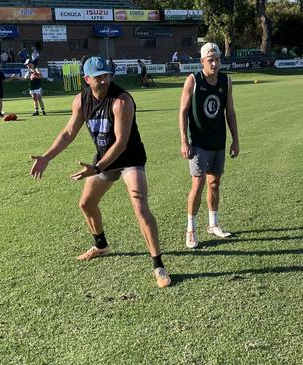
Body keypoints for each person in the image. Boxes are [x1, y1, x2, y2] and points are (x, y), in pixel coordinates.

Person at [29, 56, 171, 288]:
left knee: (140, 206)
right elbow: (68, 133)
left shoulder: (121, 101)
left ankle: (158, 266)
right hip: (104, 161)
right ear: (87, 79)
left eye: (106, 76)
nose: (104, 81)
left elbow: (121, 144)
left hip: (129, 159)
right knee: (86, 204)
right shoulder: (81, 100)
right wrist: (46, 157)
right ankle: (101, 245)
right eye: (98, 77)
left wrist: (96, 168)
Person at [178, 43, 240, 249]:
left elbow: (229, 112)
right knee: (198, 183)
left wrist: (235, 140)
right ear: (202, 61)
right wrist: (184, 140)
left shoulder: (226, 81)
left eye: (217, 59)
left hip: (218, 142)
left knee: (215, 183)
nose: (214, 63)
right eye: (210, 60)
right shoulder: (193, 81)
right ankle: (191, 230)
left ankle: (213, 224)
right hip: (198, 143)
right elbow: (182, 112)